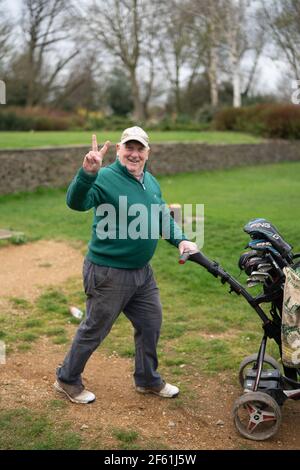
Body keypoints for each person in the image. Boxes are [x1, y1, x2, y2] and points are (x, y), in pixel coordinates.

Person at [54, 126, 198, 404]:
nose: (134, 153)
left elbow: (161, 216)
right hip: (109, 272)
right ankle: (67, 379)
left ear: (147, 153)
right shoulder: (104, 177)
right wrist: (87, 173)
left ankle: (147, 380)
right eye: (128, 148)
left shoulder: (150, 181)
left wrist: (180, 239)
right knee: (95, 328)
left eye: (139, 148)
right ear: (119, 150)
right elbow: (76, 202)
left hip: (142, 273)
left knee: (150, 323)